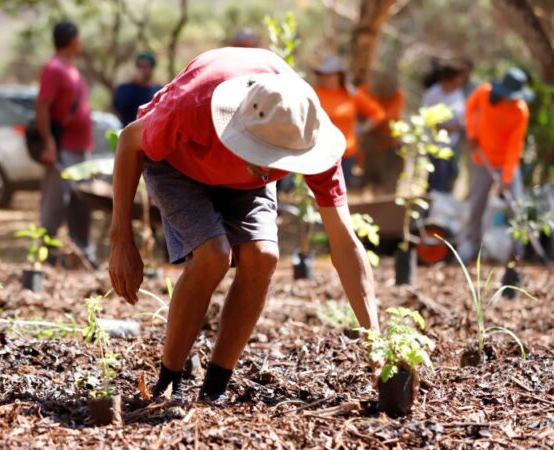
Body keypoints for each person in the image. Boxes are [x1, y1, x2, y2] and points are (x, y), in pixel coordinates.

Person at [108, 47, 379, 403]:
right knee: (213, 254)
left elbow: (345, 243)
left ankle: (215, 388)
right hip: (179, 165)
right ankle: (168, 381)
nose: (269, 169)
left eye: (276, 162)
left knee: (264, 256)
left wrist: (378, 346)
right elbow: (130, 141)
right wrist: (121, 240)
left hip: (243, 181)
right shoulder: (194, 106)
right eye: (262, 157)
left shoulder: (299, 127)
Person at [35, 20, 95, 264]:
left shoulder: (71, 69)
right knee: (55, 202)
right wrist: (48, 143)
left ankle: (80, 252)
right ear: (73, 40)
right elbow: (41, 108)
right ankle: (45, 255)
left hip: (82, 146)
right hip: (63, 148)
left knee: (82, 201)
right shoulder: (54, 68)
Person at [458, 68, 532, 262]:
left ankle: (517, 251)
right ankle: (471, 245)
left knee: (517, 205)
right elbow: (469, 109)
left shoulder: (520, 111)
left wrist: (506, 177)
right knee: (476, 205)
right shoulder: (483, 93)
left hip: (506, 163)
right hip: (481, 160)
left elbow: (515, 146)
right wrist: (472, 134)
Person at [313, 55, 386, 187]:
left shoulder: (351, 94)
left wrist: (361, 129)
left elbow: (378, 113)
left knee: (338, 193)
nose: (325, 78)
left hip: (346, 153)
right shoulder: (315, 93)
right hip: (320, 152)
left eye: (329, 75)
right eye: (322, 74)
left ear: (339, 76)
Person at [421, 60, 467, 193]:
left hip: (451, 144)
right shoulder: (433, 94)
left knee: (451, 175)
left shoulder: (457, 94)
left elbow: (461, 115)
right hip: (435, 144)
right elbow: (426, 118)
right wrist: (443, 127)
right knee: (437, 179)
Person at [359, 71, 406, 195]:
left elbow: (389, 117)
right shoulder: (365, 91)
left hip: (390, 144)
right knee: (366, 181)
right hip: (370, 145)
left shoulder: (398, 96)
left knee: (388, 185)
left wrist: (374, 116)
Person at [113, 52, 162, 127]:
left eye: (146, 67)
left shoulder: (158, 90)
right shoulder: (124, 89)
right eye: (139, 66)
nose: (142, 70)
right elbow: (119, 106)